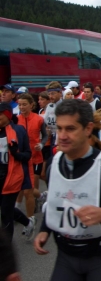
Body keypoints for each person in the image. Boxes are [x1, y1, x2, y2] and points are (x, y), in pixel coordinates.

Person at [33, 99, 101, 281]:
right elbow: (56, 201)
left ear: (87, 129)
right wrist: (45, 228)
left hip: (100, 258)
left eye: (70, 129)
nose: (62, 136)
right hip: (65, 256)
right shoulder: (54, 163)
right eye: (59, 129)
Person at [0, 102, 34, 242]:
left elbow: (28, 154)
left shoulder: (18, 131)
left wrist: (16, 153)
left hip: (12, 177)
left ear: (8, 116)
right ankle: (28, 222)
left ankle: (5, 250)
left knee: (5, 213)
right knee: (5, 208)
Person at [16, 93, 48, 220]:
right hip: (22, 158)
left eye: (24, 104)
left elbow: (45, 135)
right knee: (22, 187)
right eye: (19, 105)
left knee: (29, 189)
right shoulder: (16, 120)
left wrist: (41, 144)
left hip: (36, 158)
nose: (22, 107)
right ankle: (39, 198)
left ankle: (31, 213)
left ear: (31, 105)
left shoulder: (39, 119)